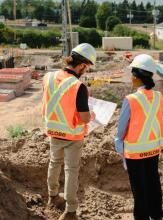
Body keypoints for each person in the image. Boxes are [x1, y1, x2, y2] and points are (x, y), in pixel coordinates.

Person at [42, 43, 96, 220]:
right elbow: (84, 118)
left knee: (54, 163)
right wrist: (92, 115)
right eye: (86, 68)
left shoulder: (48, 77)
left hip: (53, 130)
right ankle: (70, 211)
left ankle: (52, 197)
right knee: (71, 170)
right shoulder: (78, 86)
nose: (85, 72)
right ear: (81, 65)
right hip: (72, 135)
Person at [115, 54, 163, 220]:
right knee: (153, 182)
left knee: (139, 189)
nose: (131, 78)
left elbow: (121, 131)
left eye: (132, 74)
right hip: (153, 149)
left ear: (137, 77)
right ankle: (157, 214)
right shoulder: (159, 97)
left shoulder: (131, 100)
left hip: (135, 153)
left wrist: (119, 148)